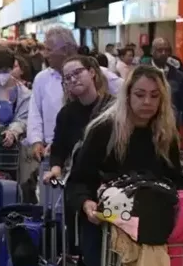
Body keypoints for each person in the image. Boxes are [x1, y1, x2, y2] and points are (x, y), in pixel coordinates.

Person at [66, 65, 183, 266]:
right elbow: (78, 181)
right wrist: (86, 203)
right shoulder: (103, 130)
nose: (147, 102)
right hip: (105, 226)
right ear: (128, 95)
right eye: (140, 95)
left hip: (151, 224)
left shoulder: (166, 134)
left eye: (154, 96)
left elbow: (176, 181)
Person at [27, 25, 122, 164]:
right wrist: (36, 141)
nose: (45, 54)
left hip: (91, 154)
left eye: (49, 49)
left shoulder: (100, 74)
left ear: (65, 50)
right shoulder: (42, 79)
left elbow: (127, 95)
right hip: (52, 153)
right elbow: (35, 112)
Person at [44, 55, 114, 185]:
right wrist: (56, 169)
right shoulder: (66, 114)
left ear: (92, 72)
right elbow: (58, 148)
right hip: (78, 180)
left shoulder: (112, 109)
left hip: (109, 178)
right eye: (68, 77)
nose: (73, 79)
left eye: (77, 73)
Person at [151, 37, 183, 139]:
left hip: (171, 125)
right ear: (152, 52)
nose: (163, 53)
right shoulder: (143, 72)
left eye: (166, 50)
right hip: (148, 123)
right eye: (160, 50)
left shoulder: (177, 75)